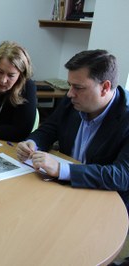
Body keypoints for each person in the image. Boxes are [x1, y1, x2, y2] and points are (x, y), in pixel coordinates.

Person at [16, 49, 129, 212]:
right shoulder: (74, 101)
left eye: (78, 87)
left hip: (105, 201)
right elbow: (49, 128)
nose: (69, 93)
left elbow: (122, 175)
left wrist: (62, 169)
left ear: (105, 87)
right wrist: (32, 143)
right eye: (70, 86)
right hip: (63, 189)